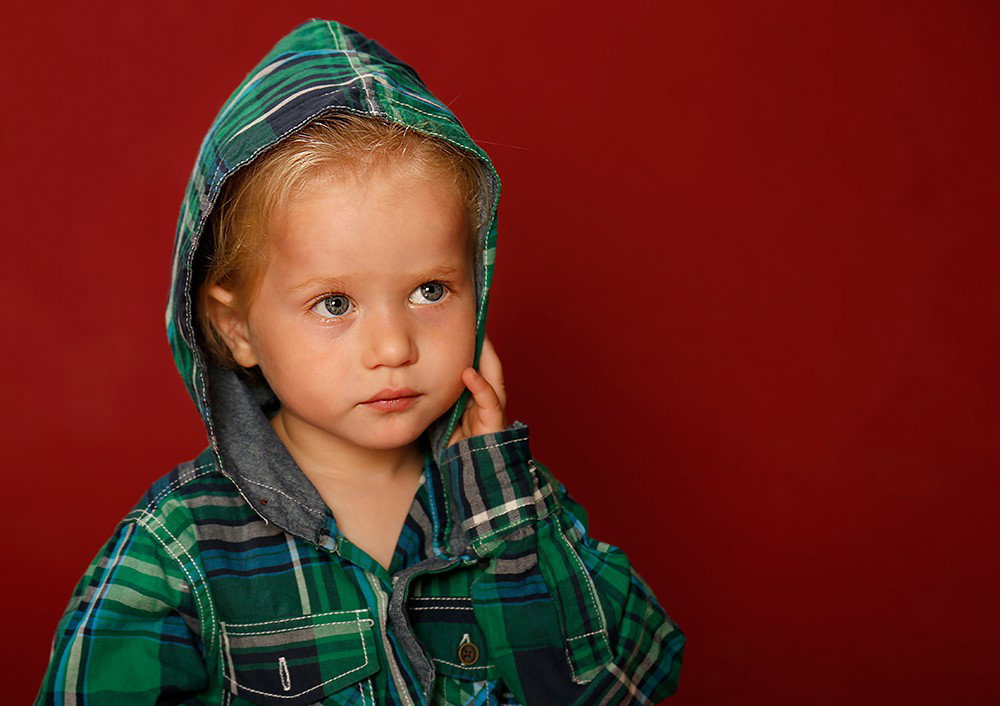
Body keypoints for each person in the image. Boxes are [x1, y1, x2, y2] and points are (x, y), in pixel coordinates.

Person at [35, 17, 686, 705]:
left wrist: (504, 506)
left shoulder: (509, 504)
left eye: (430, 291)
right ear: (237, 329)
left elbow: (627, 685)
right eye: (335, 304)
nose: (393, 348)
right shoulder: (178, 549)